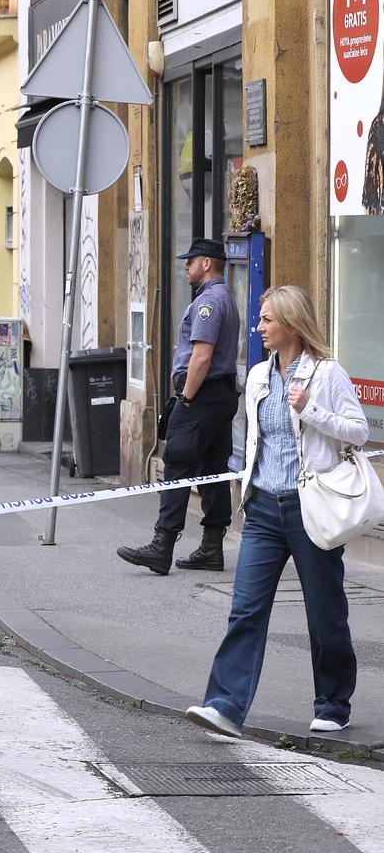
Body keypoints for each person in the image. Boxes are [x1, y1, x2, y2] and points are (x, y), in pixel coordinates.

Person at [186, 285, 365, 738]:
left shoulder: (326, 374)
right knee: (245, 609)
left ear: (290, 323)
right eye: (260, 319)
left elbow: (359, 431)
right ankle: (224, 704)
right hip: (264, 508)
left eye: (267, 319)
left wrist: (313, 411)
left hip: (310, 508)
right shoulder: (261, 376)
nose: (259, 327)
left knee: (324, 613)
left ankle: (333, 702)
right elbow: (255, 441)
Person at [118, 237, 241, 574]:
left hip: (201, 395)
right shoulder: (221, 298)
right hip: (219, 395)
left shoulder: (209, 303)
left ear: (206, 263)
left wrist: (185, 397)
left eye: (191, 260)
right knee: (212, 469)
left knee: (178, 464)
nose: (186, 266)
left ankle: (162, 545)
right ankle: (211, 547)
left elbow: (201, 356)